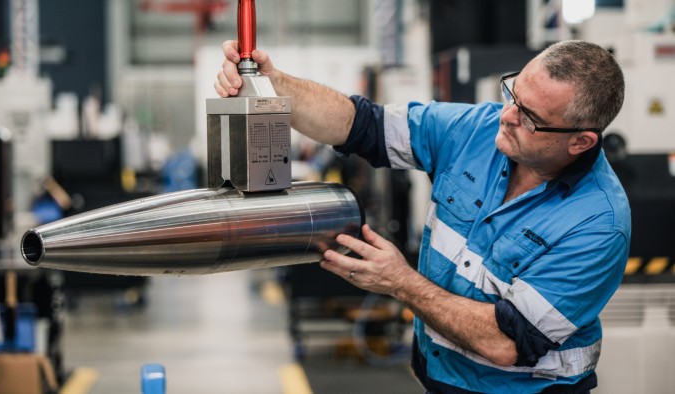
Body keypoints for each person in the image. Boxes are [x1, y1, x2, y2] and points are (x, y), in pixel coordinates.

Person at [215, 39, 630, 394]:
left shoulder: (597, 223)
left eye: (531, 117)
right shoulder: (478, 129)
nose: (507, 115)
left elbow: (507, 341)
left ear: (580, 141)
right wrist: (273, 85)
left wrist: (400, 282)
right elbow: (361, 125)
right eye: (513, 94)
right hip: (436, 377)